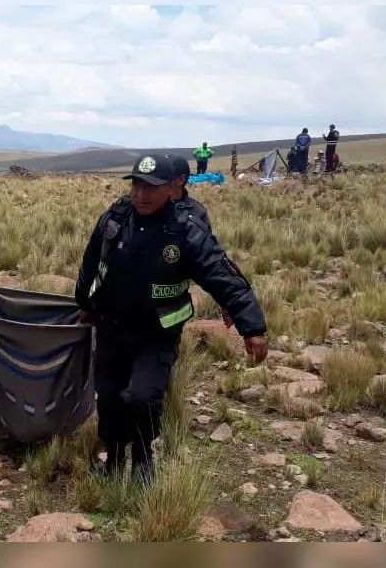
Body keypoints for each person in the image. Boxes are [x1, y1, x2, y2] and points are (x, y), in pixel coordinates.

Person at [74, 154, 268, 482]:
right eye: (136, 184)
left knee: (141, 397)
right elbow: (92, 262)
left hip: (156, 332)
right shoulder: (116, 217)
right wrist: (85, 302)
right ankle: (114, 457)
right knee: (108, 396)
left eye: (151, 186)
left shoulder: (185, 230)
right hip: (111, 326)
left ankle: (143, 457)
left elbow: (221, 274)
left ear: (170, 188)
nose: (141, 194)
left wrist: (251, 326)